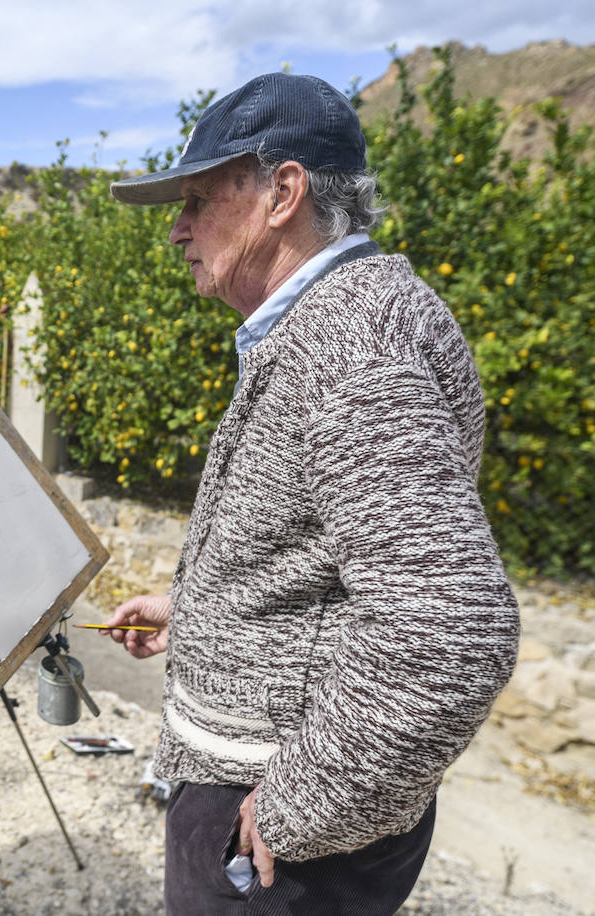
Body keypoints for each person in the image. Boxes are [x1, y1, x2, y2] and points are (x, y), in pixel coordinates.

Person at [103, 73, 519, 914]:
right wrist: (202, 610)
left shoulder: (349, 343)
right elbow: (337, 557)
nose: (178, 229)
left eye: (195, 199)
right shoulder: (352, 317)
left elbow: (451, 629)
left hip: (274, 837)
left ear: (282, 192)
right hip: (275, 809)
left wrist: (299, 811)